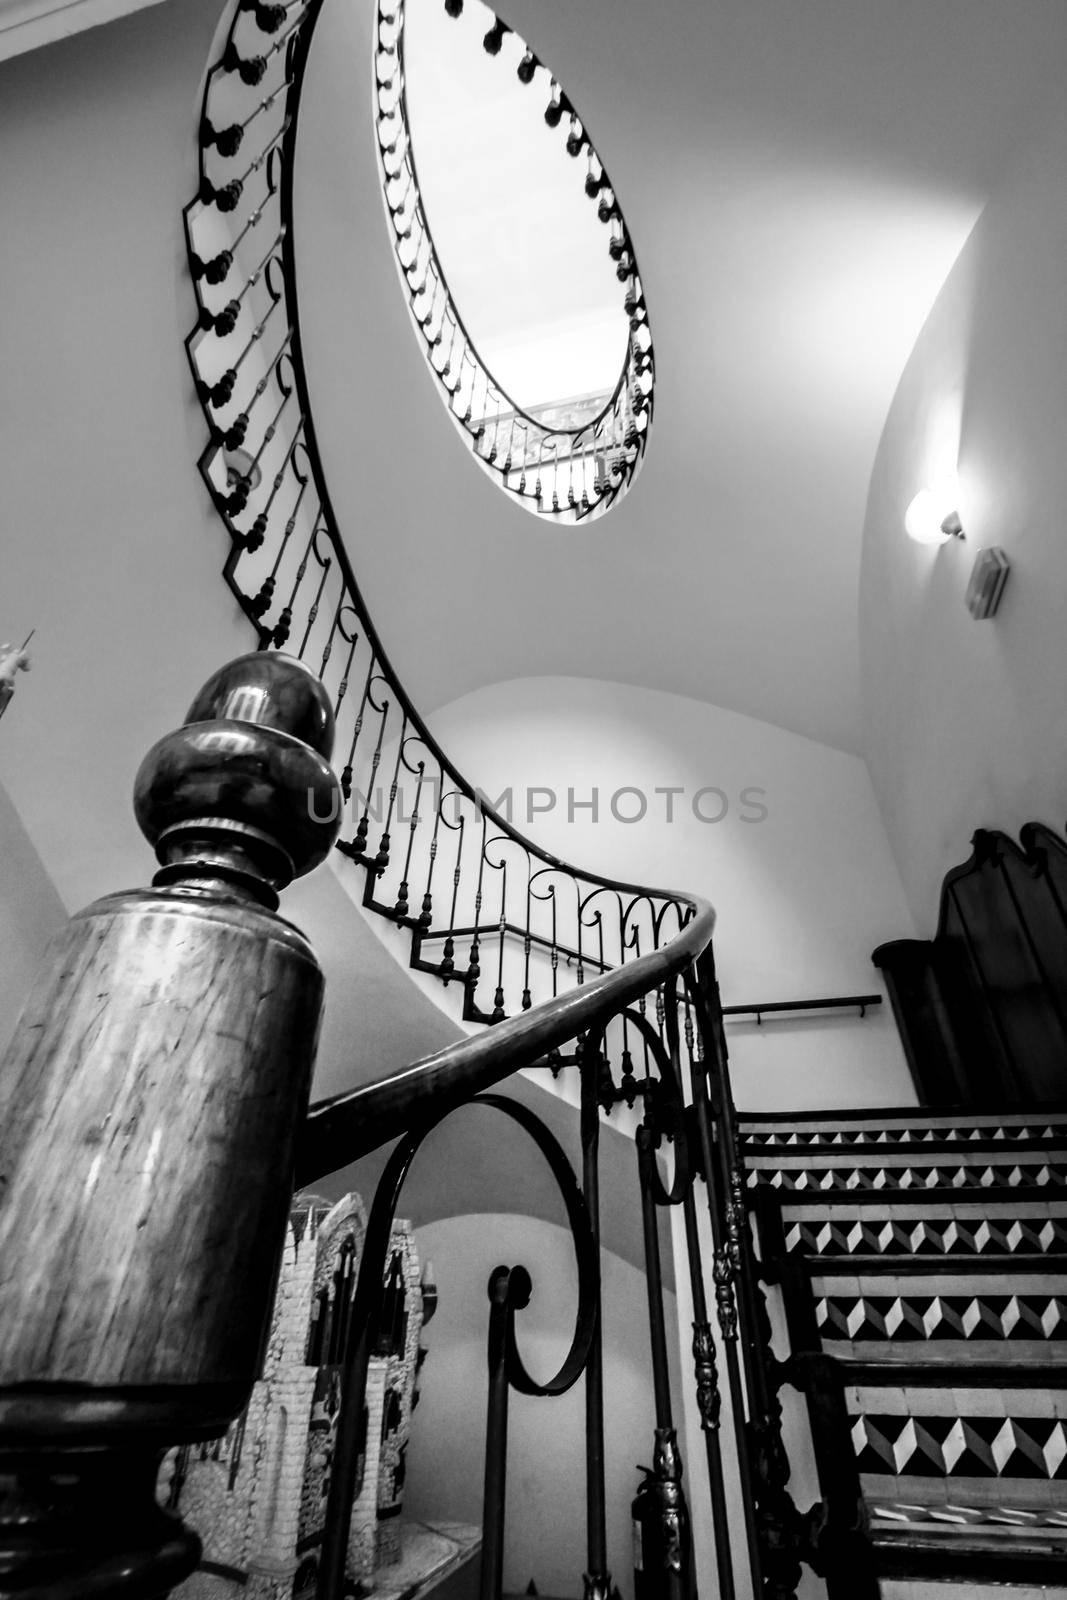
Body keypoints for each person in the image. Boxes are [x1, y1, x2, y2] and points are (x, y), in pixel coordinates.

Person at [0, 638, 32, 721]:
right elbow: (27, 668)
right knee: (6, 690)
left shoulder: (7, 657)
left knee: (5, 687)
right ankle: (6, 690)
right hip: (6, 678)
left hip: (3, 677)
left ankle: (5, 690)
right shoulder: (14, 656)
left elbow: (26, 667)